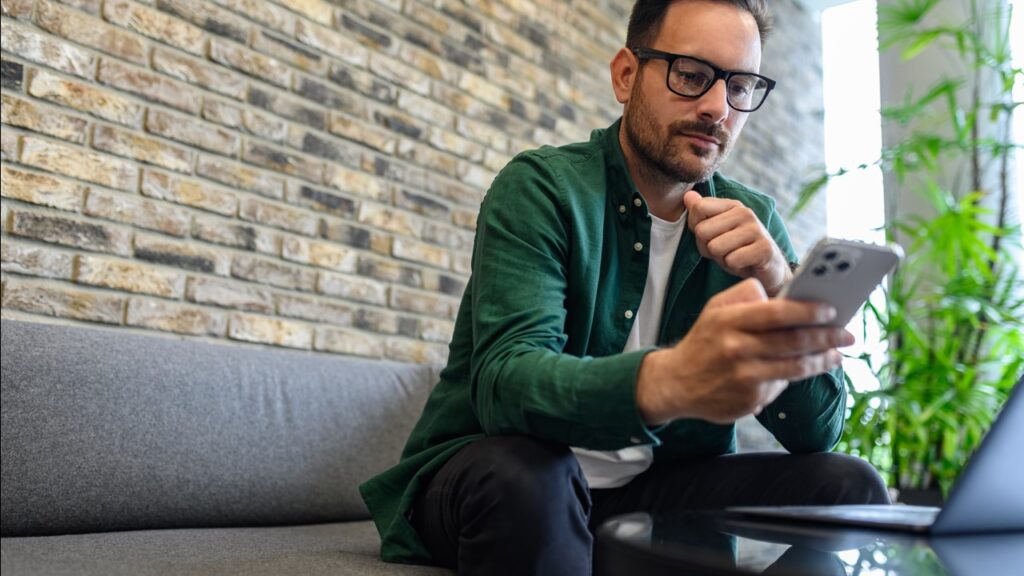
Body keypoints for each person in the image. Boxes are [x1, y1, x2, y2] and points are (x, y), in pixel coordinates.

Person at [360, 1, 890, 573]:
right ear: (626, 75)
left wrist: (779, 281)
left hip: (650, 485)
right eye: (691, 75)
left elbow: (818, 433)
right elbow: (504, 385)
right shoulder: (543, 188)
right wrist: (671, 381)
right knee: (528, 475)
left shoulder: (752, 221)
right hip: (498, 476)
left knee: (846, 485)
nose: (717, 108)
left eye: (740, 86)